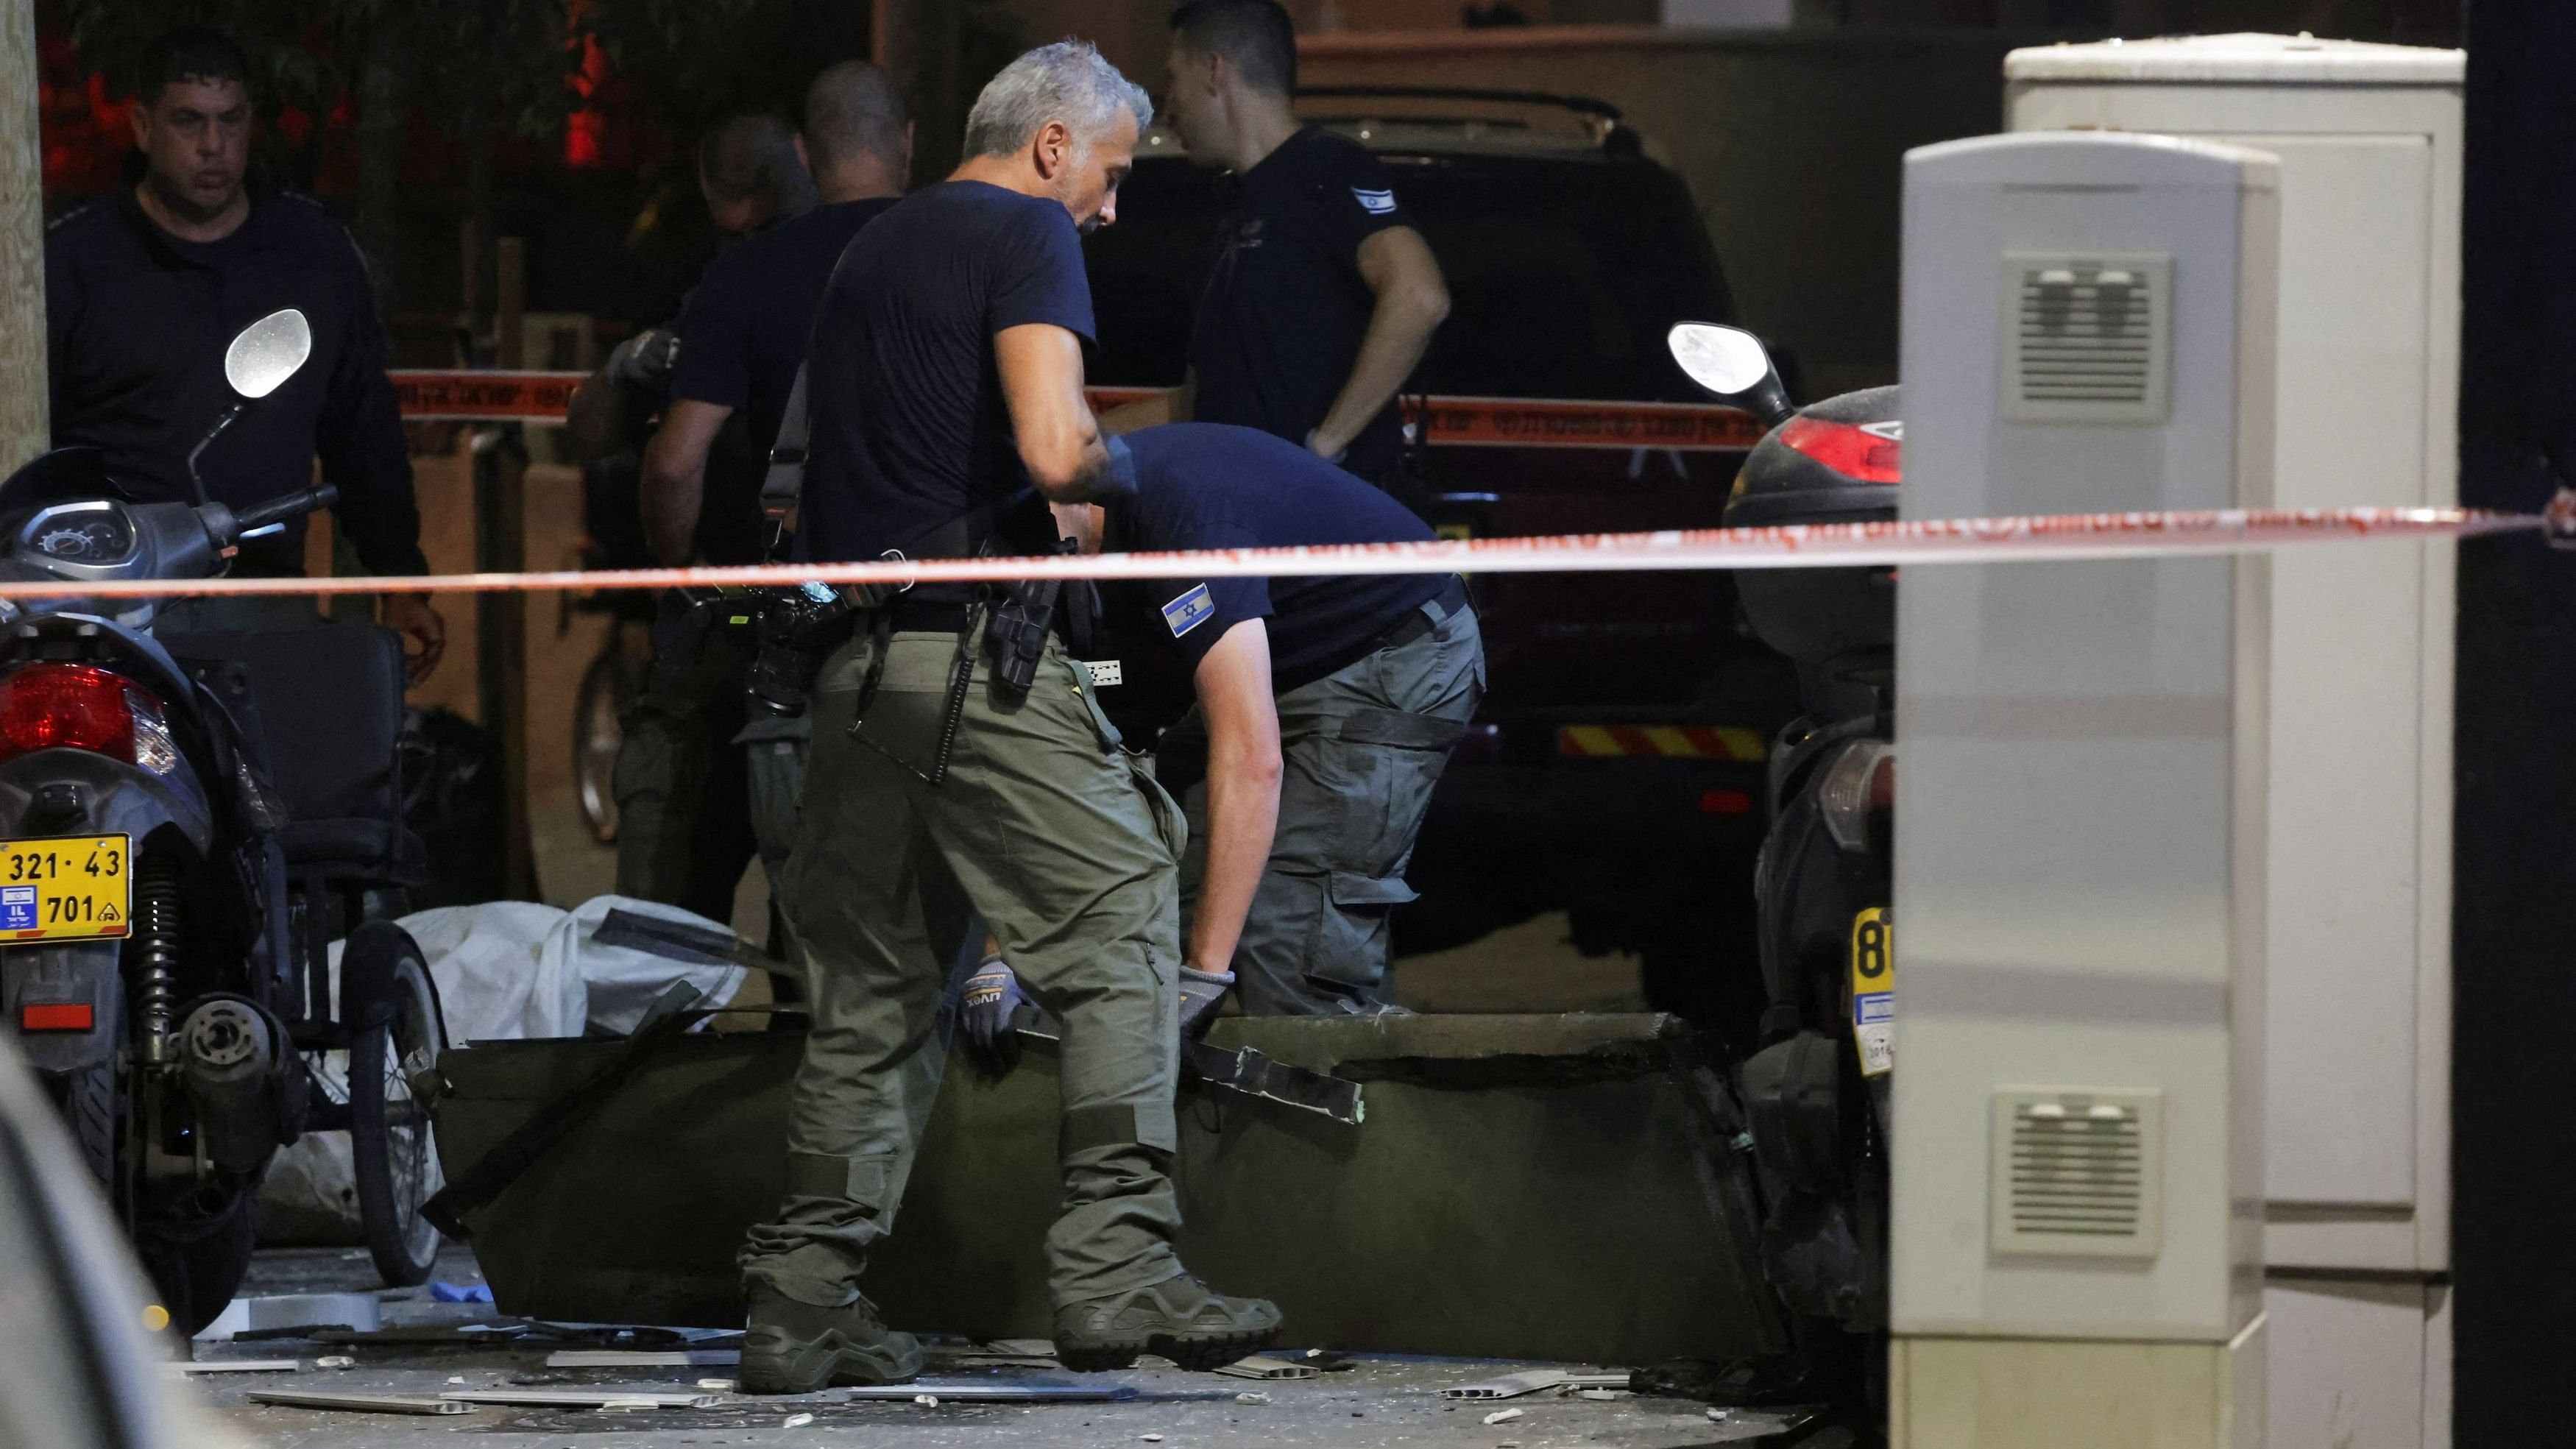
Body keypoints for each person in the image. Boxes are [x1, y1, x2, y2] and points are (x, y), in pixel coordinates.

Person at [734, 40, 1279, 1395]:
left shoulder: (871, 250)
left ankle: (801, 1305)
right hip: (969, 670)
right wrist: (1128, 471)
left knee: (869, 1001)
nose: (1108, 207)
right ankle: (1116, 1263)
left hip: (852, 684)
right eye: (1108, 172)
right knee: (1129, 903)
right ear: (1051, 145)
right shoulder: (1030, 237)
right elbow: (1055, 448)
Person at [45, 25, 442, 670]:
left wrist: (400, 579)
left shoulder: (312, 253)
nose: (213, 146)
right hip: (107, 604)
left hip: (264, 595)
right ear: (144, 128)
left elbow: (363, 431)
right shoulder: (74, 262)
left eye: (230, 121)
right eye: (189, 122)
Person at [1055, 424, 1482, 1016]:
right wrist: (1006, 952)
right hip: (1278, 653)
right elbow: (1085, 764)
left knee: (1288, 945)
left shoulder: (1184, 530)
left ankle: (1342, 1094)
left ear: (1077, 493)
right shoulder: (1085, 528)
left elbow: (1253, 760)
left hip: (1391, 647)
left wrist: (1204, 972)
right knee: (1155, 898)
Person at [615, 70, 913, 911]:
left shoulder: (748, 277)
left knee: (714, 842)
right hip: (934, 627)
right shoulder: (973, 251)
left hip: (778, 618)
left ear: (806, 155)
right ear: (910, 141)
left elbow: (675, 464)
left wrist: (684, 578)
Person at [563, 112, 815, 923]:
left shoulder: (725, 286)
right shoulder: (881, 263)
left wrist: (681, 590)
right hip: (829, 619)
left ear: (714, 198)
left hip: (732, 621)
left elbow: (658, 461)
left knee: (667, 903)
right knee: (818, 924)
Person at [1103, 0, 1450, 507]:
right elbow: (1207, 404)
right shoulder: (1239, 208)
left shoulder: (1328, 169)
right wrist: (1087, 439)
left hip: (1318, 538)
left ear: (1214, 71)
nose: (1168, 105)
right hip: (1247, 525)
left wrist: (1325, 447)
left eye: (1173, 78)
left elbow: (1420, 296)